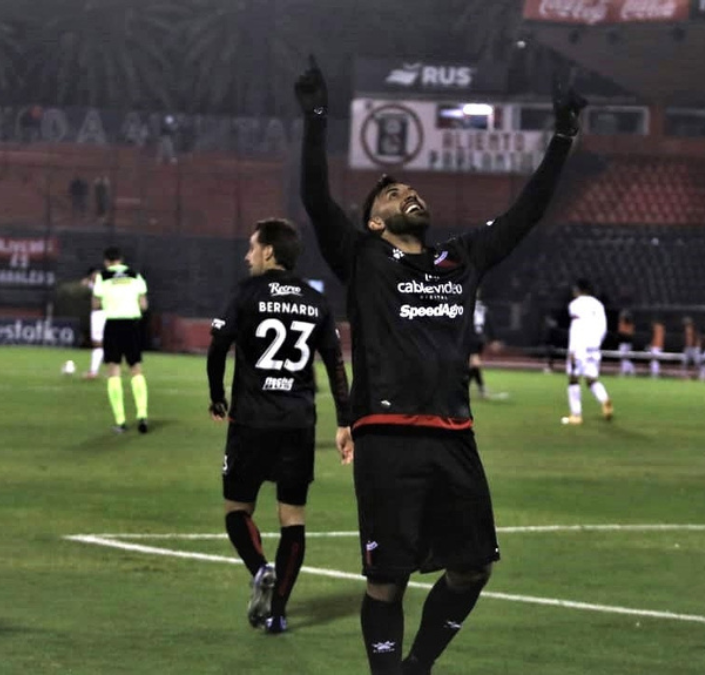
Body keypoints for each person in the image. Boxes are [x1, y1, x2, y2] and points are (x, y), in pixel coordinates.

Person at [296, 55, 587, 675]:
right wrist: (317, 118)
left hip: (454, 435)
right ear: (375, 221)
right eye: (396, 194)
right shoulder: (362, 258)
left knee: (473, 567)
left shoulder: (463, 258)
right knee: (387, 580)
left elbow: (526, 213)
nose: (411, 194)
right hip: (387, 437)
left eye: (412, 190)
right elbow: (316, 199)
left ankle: (417, 665)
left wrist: (563, 137)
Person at [208, 218, 353, 634]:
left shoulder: (246, 292)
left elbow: (218, 346)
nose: (248, 254)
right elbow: (336, 366)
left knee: (237, 510)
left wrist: (217, 394)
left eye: (253, 247)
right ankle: (279, 613)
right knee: (293, 518)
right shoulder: (315, 300)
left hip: (251, 420)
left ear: (269, 251)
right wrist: (345, 421)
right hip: (298, 422)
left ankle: (259, 568)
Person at [93, 247, 149, 433]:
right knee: (136, 369)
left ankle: (121, 421)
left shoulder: (103, 276)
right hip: (132, 325)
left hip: (113, 325)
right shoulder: (134, 274)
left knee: (114, 370)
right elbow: (143, 304)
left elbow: (96, 302)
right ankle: (142, 415)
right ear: (121, 259)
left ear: (106, 261)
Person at [564, 280, 612, 424]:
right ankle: (605, 400)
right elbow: (604, 327)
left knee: (573, 378)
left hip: (580, 346)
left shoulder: (575, 305)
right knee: (591, 380)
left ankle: (576, 414)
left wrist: (573, 349)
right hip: (594, 346)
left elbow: (577, 327)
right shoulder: (598, 305)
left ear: (577, 290)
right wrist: (596, 344)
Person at [468, 291, 494, 398]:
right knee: (473, 364)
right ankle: (480, 388)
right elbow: (488, 322)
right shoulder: (482, 307)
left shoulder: (466, 304)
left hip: (471, 337)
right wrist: (493, 338)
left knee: (474, 364)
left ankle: (463, 388)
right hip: (479, 338)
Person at [81, 267, 105, 379]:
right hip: (100, 314)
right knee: (103, 342)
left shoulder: (102, 285)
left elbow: (96, 303)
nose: (96, 276)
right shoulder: (94, 284)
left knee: (98, 343)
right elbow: (84, 284)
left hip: (101, 314)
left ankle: (94, 371)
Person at [616, 310, 636, 376]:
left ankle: (626, 371)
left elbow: (624, 332)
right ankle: (630, 370)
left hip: (626, 343)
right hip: (623, 343)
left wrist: (622, 324)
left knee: (625, 357)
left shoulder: (629, 325)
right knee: (623, 358)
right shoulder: (623, 324)